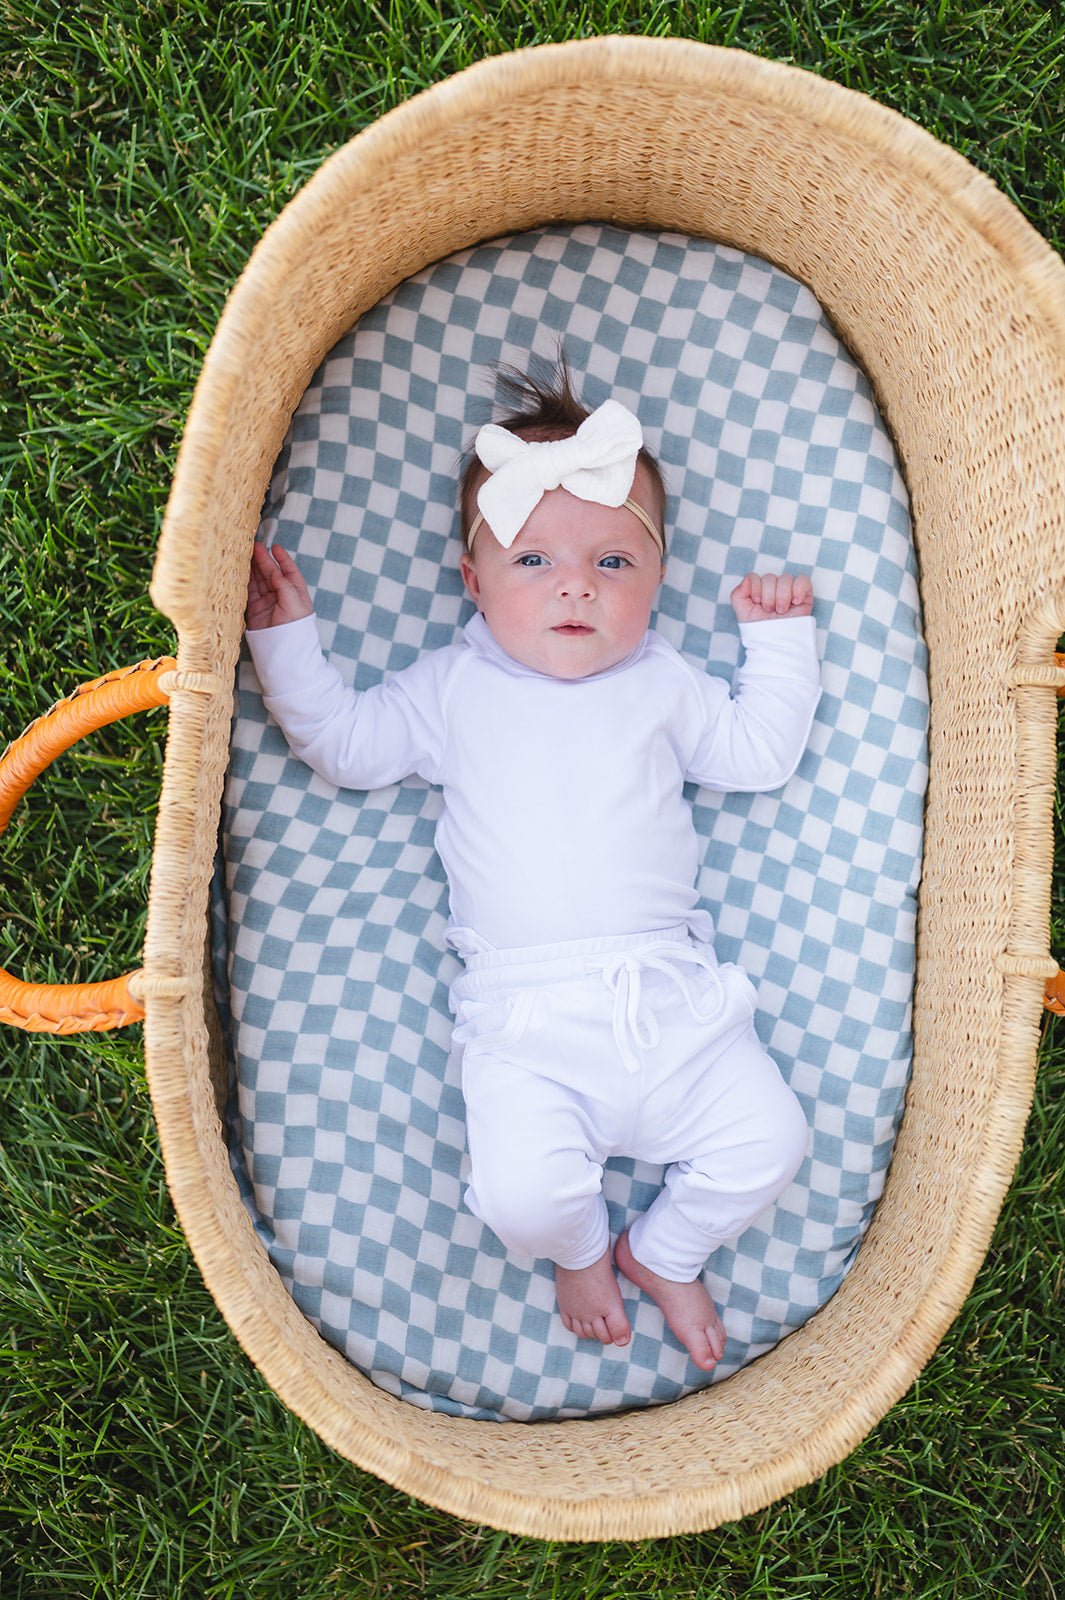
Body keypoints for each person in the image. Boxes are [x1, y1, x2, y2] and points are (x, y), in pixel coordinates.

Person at [244, 358, 820, 1371]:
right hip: (528, 1024)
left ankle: (664, 1249)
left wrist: (779, 645)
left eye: (612, 564)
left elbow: (757, 755)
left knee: (771, 1143)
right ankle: (580, 1249)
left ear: (659, 580)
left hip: (675, 1004)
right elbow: (342, 742)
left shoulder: (667, 683)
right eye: (534, 562)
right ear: (473, 581)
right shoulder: (450, 690)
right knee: (521, 1195)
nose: (573, 585)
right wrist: (287, 640)